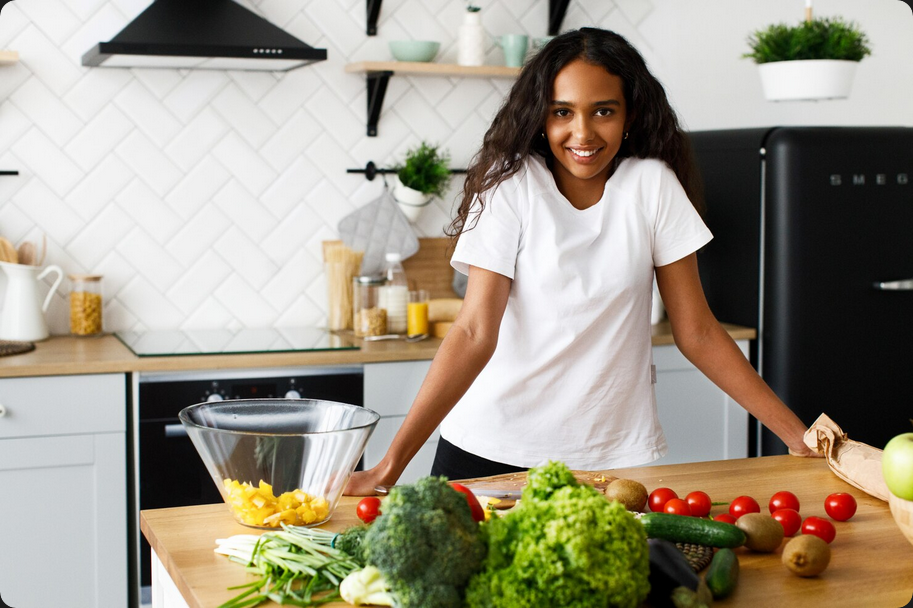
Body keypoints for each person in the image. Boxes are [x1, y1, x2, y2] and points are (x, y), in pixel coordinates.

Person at [345, 27, 815, 494]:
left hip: (611, 462)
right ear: (539, 117)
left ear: (629, 114)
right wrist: (388, 467)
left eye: (603, 111)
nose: (582, 133)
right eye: (562, 112)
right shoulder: (510, 184)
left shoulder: (652, 186)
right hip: (488, 452)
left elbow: (699, 332)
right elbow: (472, 333)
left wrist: (797, 436)